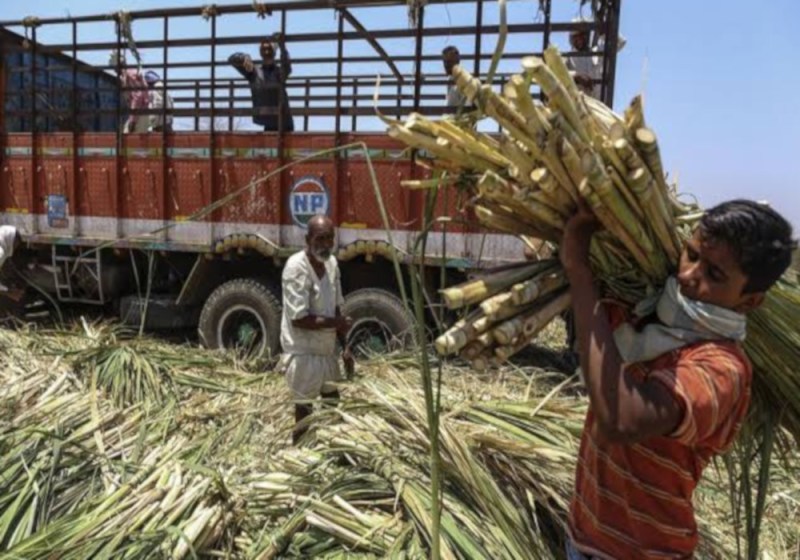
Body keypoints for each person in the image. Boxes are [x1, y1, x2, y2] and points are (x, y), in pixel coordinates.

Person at [561, 199, 795, 560]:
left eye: (714, 274)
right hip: (583, 536)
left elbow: (621, 420)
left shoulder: (721, 368)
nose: (687, 275)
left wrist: (578, 266)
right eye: (690, 254)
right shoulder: (646, 311)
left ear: (750, 301)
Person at [279, 214, 354, 444]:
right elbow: (298, 319)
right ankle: (300, 455)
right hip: (303, 354)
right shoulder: (296, 268)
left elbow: (336, 309)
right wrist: (336, 324)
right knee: (304, 413)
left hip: (326, 350)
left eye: (329, 239)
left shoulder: (331, 264)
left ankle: (332, 450)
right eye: (320, 239)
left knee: (333, 404)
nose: (325, 245)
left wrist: (346, 347)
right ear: (307, 239)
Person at [229, 35, 294, 132]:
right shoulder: (253, 70)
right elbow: (231, 59)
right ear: (260, 52)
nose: (266, 51)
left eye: (269, 48)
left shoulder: (279, 72)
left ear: (274, 52)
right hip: (268, 122)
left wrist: (282, 47)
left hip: (284, 122)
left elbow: (287, 66)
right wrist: (242, 57)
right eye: (263, 48)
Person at [566, 19, 625, 99]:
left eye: (582, 35)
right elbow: (559, 74)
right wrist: (576, 77)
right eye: (576, 37)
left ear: (587, 35)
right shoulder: (569, 57)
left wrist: (604, 32)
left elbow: (621, 43)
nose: (579, 39)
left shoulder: (598, 51)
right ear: (572, 39)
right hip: (580, 106)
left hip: (600, 105)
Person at [110, 52, 150, 133]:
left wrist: (133, 120)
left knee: (132, 141)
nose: (114, 70)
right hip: (139, 113)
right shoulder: (126, 76)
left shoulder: (130, 74)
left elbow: (138, 96)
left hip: (140, 114)